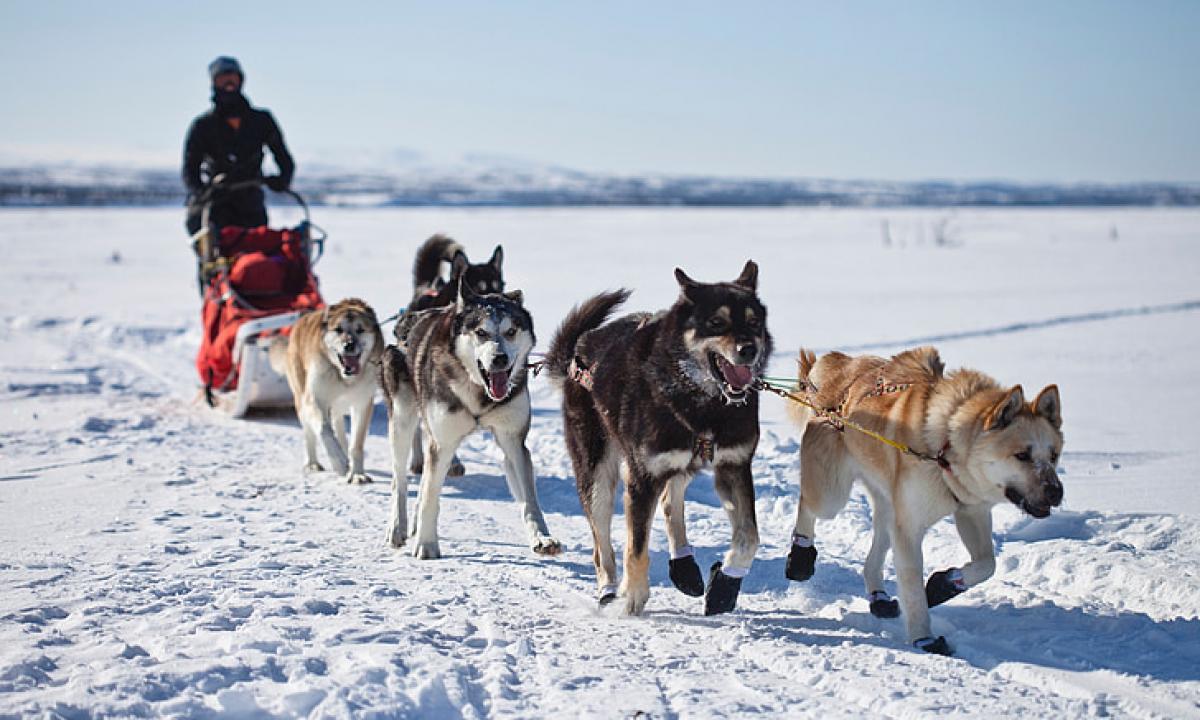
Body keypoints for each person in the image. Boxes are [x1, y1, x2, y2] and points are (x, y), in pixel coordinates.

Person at [183, 56, 295, 235]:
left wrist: (282, 180)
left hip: (252, 207)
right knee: (215, 248)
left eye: (233, 78)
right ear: (214, 83)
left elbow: (284, 158)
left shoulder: (261, 121)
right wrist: (202, 192)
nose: (229, 83)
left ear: (241, 81)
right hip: (216, 207)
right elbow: (190, 168)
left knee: (258, 250)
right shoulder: (203, 125)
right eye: (223, 78)